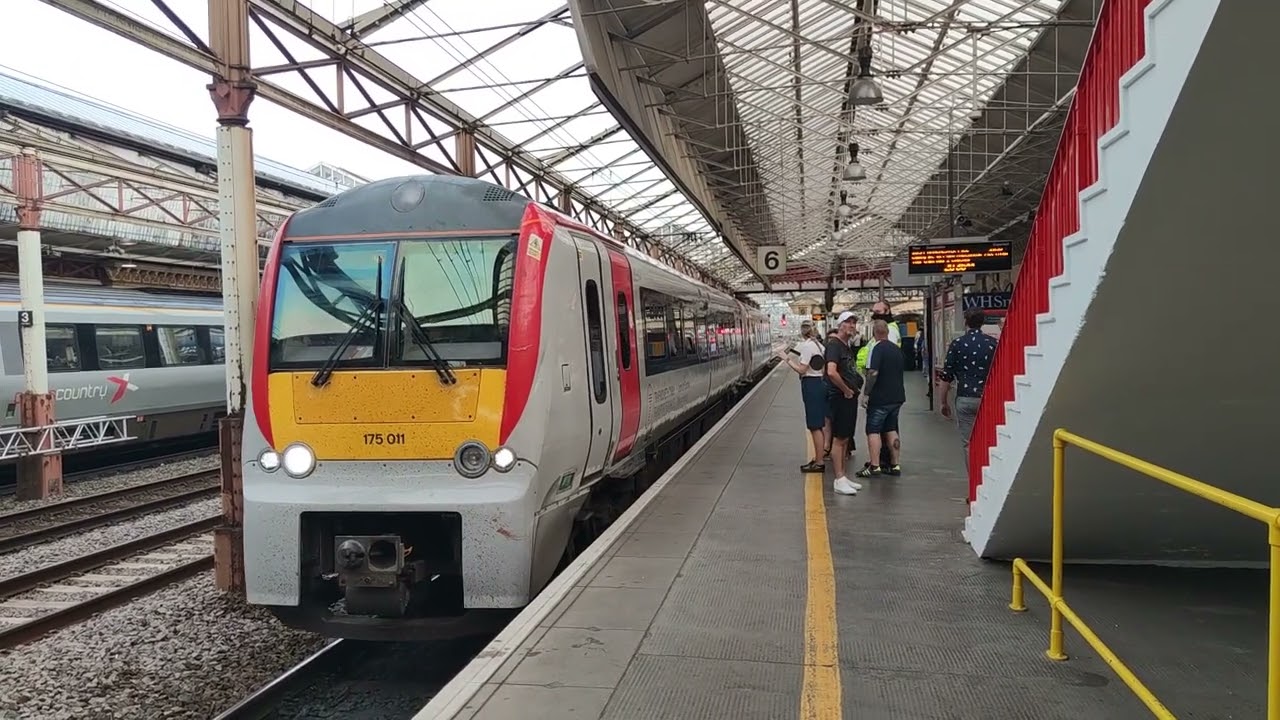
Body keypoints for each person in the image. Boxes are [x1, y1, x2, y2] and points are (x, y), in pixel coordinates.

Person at [938, 309, 999, 459]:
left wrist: (943, 402)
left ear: (966, 322)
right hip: (988, 398)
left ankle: (974, 478)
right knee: (989, 440)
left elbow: (946, 377)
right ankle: (989, 473)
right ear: (982, 322)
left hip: (965, 398)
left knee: (969, 442)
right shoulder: (993, 344)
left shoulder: (957, 344)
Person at [857, 320, 906, 478]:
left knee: (873, 430)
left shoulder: (876, 348)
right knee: (891, 429)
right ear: (887, 332)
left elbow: (873, 373)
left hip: (880, 398)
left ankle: (875, 466)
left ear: (874, 333)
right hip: (897, 397)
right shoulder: (896, 349)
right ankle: (895, 465)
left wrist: (866, 393)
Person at [778, 320, 828, 472]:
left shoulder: (807, 346)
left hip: (811, 384)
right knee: (817, 424)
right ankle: (818, 458)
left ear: (802, 332)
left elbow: (802, 370)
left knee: (814, 425)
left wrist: (786, 359)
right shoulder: (820, 346)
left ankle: (819, 462)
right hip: (819, 382)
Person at [824, 312, 863, 496]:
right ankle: (839, 478)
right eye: (849, 322)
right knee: (839, 439)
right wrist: (846, 390)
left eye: (854, 322)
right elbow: (831, 372)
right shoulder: (834, 346)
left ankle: (843, 476)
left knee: (846, 437)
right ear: (840, 325)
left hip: (848, 399)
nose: (852, 325)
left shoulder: (845, 346)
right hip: (840, 398)